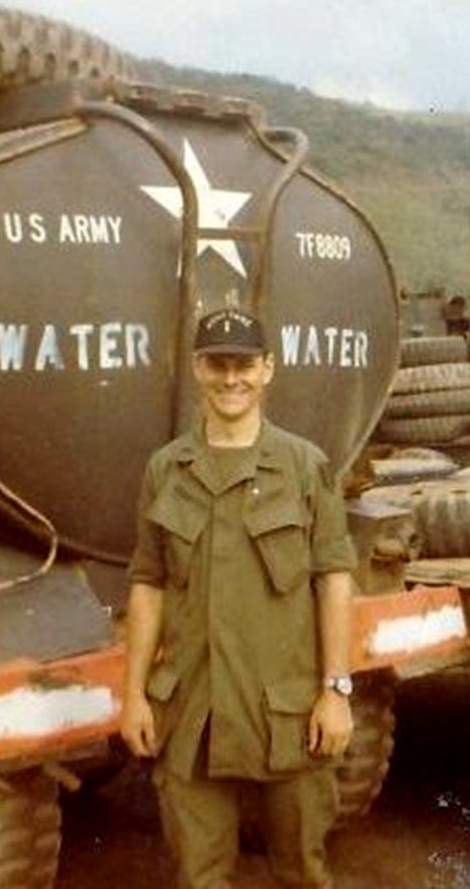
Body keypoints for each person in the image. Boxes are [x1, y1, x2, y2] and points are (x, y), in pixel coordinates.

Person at [121, 306, 356, 889]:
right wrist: (132, 696)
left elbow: (334, 579)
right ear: (196, 368)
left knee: (302, 872)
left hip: (289, 711)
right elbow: (148, 583)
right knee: (199, 877)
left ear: (268, 368)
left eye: (244, 364)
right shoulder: (167, 469)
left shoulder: (304, 466)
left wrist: (337, 691)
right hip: (192, 715)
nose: (232, 379)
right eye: (218, 364)